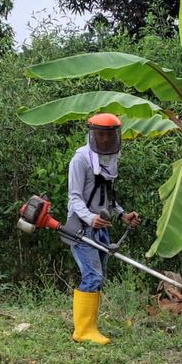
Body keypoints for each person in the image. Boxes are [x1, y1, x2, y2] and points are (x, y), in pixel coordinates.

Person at [64, 113, 140, 345]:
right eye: (101, 134)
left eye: (109, 135)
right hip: (81, 227)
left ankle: (90, 326)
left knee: (99, 276)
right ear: (92, 134)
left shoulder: (109, 159)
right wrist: (90, 218)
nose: (105, 139)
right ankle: (83, 331)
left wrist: (122, 214)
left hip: (101, 227)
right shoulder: (81, 160)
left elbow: (106, 197)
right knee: (93, 275)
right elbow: (74, 198)